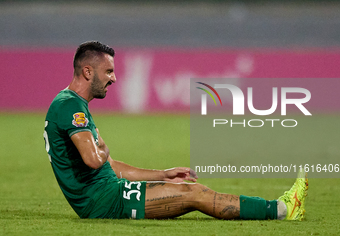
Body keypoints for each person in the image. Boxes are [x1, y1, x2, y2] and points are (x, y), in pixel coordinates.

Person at [43, 41, 308, 221]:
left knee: (185, 187)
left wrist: (163, 174)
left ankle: (280, 208)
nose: (113, 78)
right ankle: (283, 209)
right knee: (193, 194)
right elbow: (94, 159)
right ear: (88, 71)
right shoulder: (70, 108)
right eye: (108, 71)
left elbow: (111, 167)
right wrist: (104, 147)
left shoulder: (71, 104)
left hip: (110, 192)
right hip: (102, 202)